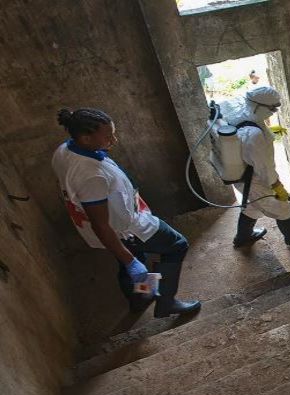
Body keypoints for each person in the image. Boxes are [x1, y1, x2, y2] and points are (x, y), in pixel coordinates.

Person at [52, 108, 201, 318]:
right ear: (85, 138)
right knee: (176, 246)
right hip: (127, 228)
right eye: (108, 136)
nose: (114, 140)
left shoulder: (64, 150)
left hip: (117, 226)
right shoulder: (90, 176)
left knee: (131, 258)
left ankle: (140, 297)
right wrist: (129, 260)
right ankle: (167, 302)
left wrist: (128, 259)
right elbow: (101, 224)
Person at [219, 86, 290, 247]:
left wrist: (268, 134)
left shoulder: (241, 113)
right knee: (283, 209)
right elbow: (264, 168)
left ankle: (243, 237)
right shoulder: (254, 136)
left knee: (252, 206)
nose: (274, 112)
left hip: (243, 176)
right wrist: (277, 186)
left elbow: (247, 139)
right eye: (272, 108)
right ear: (257, 105)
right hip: (254, 179)